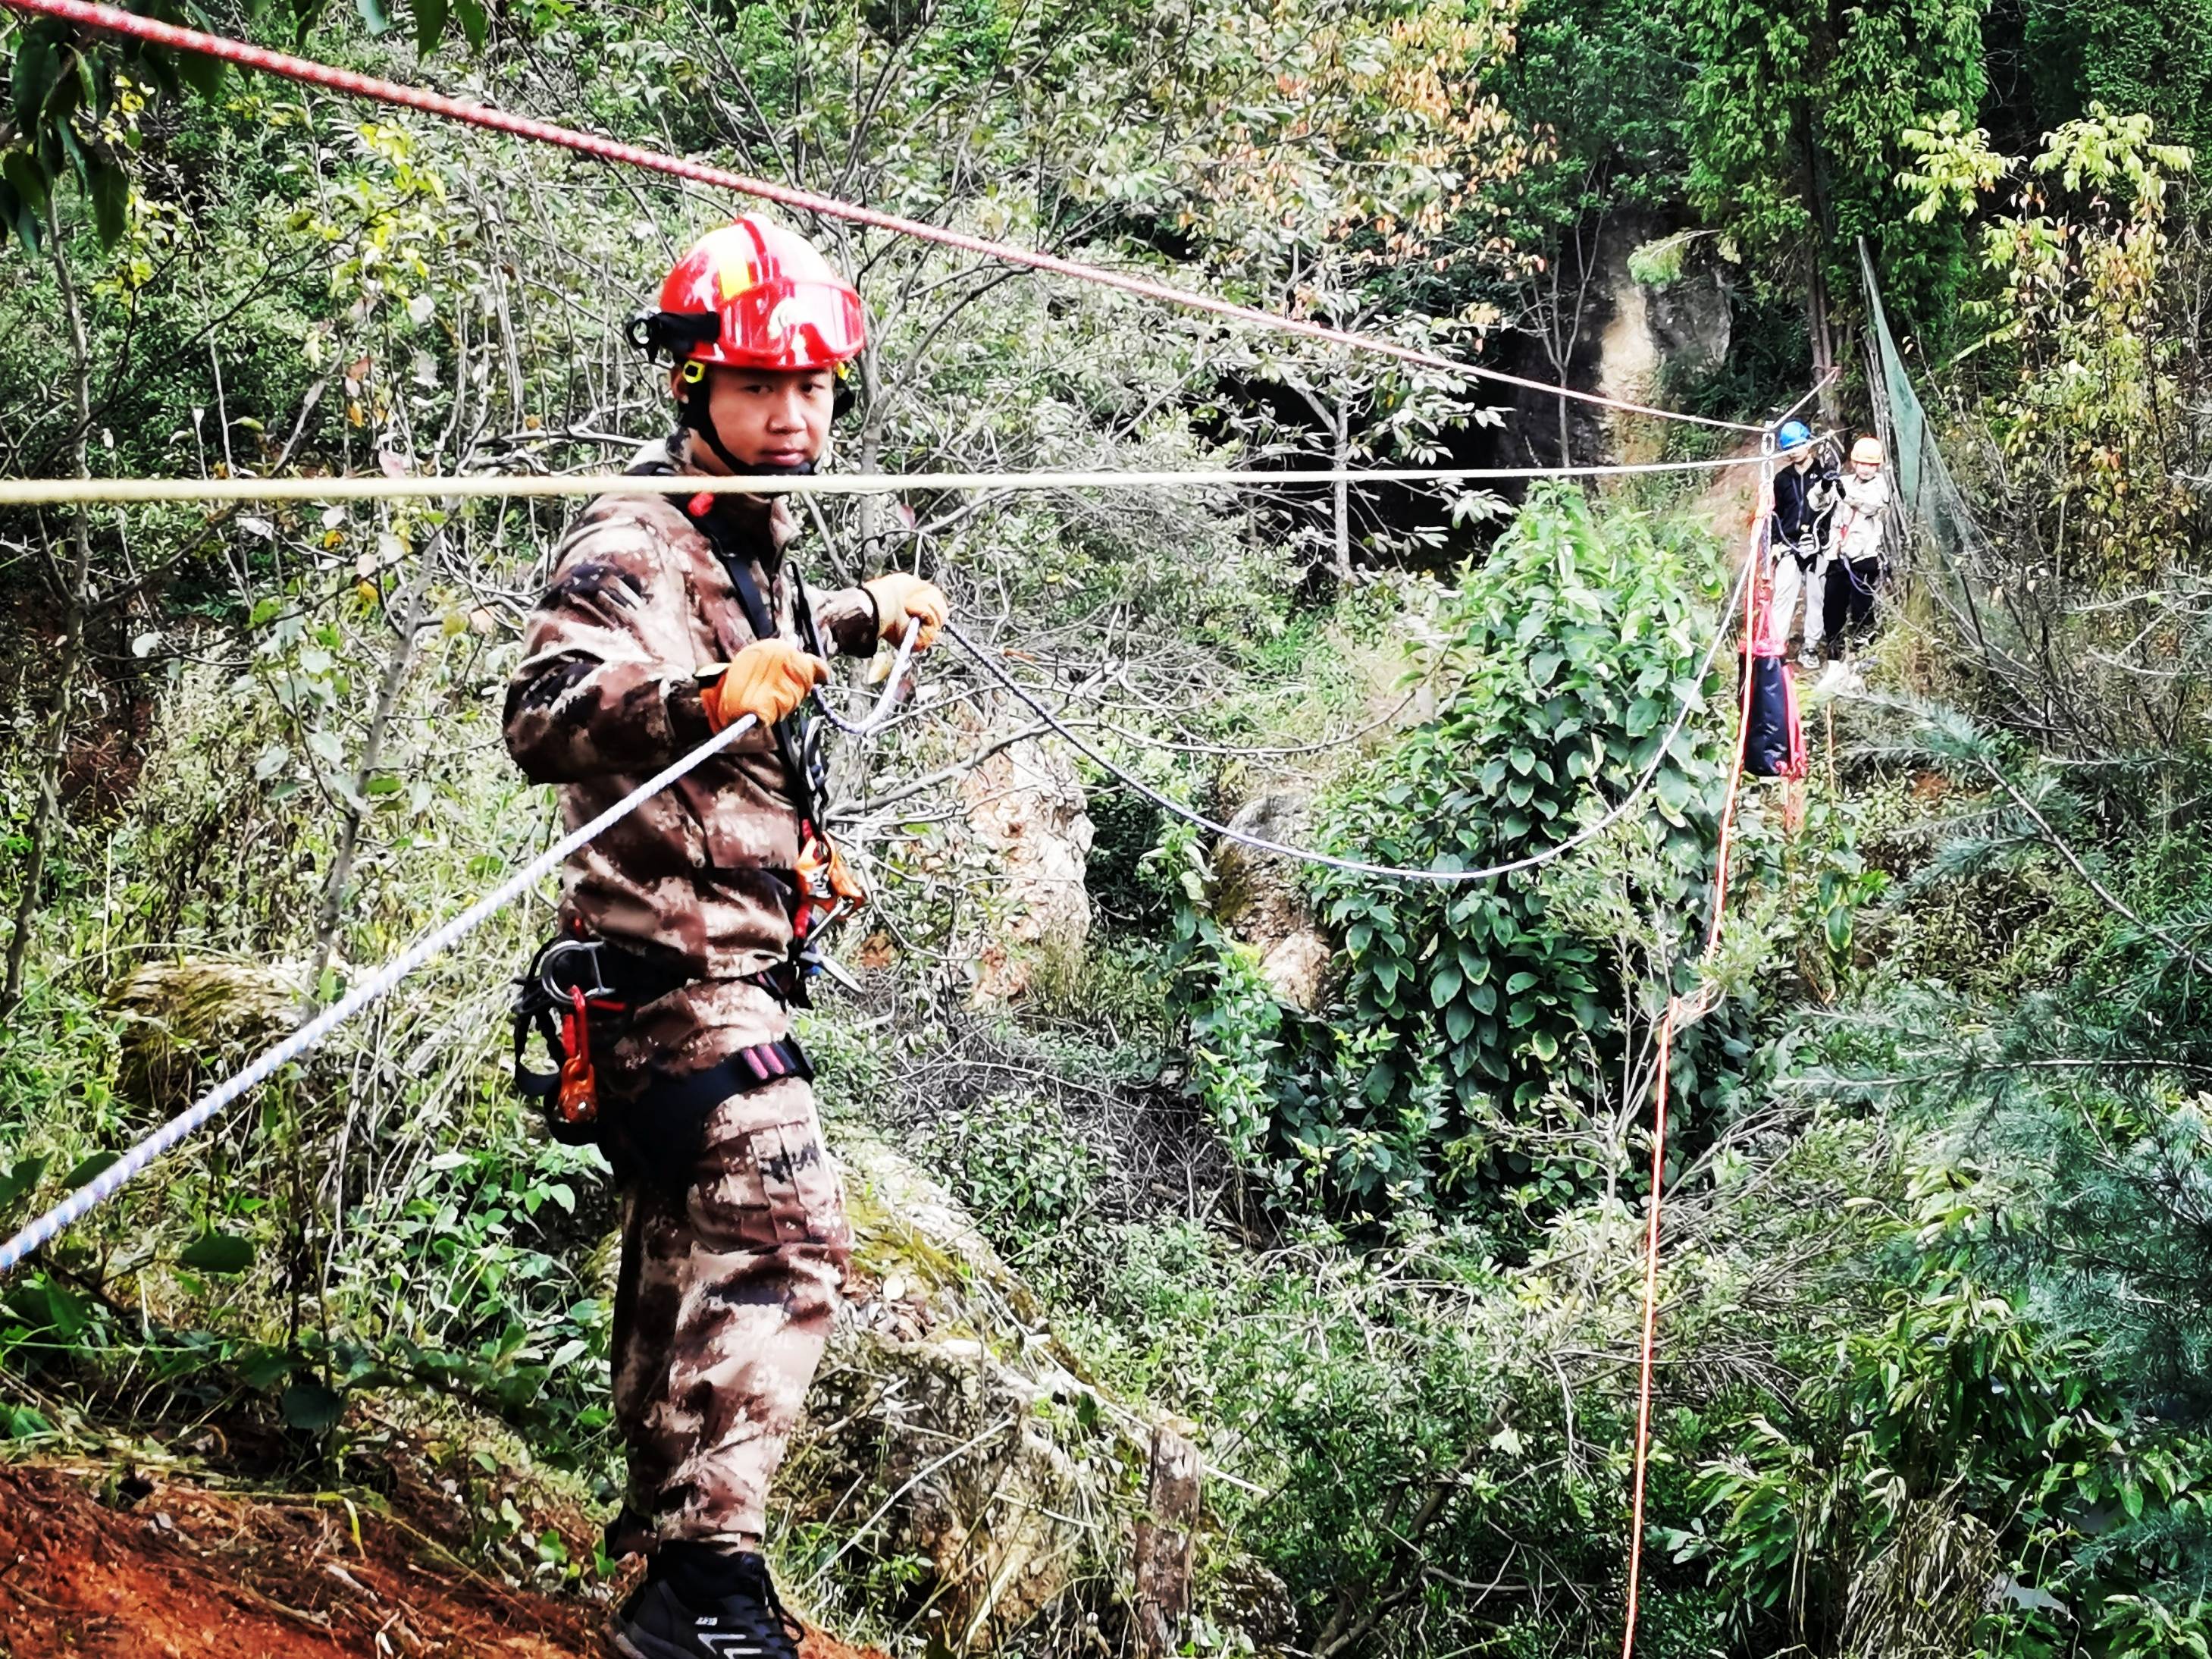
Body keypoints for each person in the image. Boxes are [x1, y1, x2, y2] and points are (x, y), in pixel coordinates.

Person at [503, 215, 947, 1659]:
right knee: (784, 1230)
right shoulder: (628, 537)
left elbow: (748, 631)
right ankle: (706, 1579)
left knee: (688, 1258)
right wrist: (699, 703)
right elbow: (543, 712)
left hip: (697, 976)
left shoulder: (742, 535)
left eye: (813, 387)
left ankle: (666, 1561)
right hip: (669, 985)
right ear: (692, 383)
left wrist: (857, 616)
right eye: (761, 386)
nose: (793, 415)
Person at [1766, 419, 1838, 667]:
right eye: (1789, 448)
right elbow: (1776, 513)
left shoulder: (1824, 475)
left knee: (1817, 597)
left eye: (1798, 445)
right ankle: (1777, 648)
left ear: (1809, 443)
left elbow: (1833, 508)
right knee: (1783, 596)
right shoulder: (1782, 479)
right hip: (1790, 543)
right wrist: (1775, 543)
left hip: (1819, 544)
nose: (1795, 451)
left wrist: (1827, 540)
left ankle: (1810, 647)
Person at [1822, 434, 1891, 662]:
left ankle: (1863, 655)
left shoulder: (1880, 486)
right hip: (1838, 554)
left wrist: (1844, 494)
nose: (1866, 469)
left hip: (1863, 557)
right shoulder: (1845, 481)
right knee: (1832, 606)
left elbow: (1871, 505)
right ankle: (1834, 653)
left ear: (1877, 466)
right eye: (1862, 463)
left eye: (1871, 465)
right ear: (1854, 463)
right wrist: (1824, 485)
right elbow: (1818, 502)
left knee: (1862, 608)